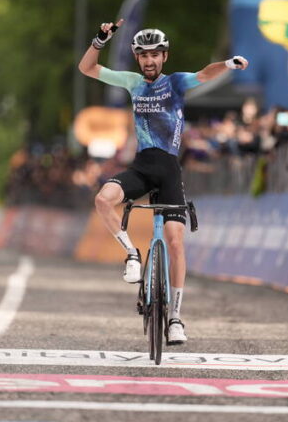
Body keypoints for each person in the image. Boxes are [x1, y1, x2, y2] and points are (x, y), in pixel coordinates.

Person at [78, 20, 248, 344]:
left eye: (155, 55)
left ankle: (175, 318)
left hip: (170, 171)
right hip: (141, 168)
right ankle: (131, 255)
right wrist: (100, 38)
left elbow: (205, 74)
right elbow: (87, 67)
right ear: (137, 58)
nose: (149, 61)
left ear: (164, 57)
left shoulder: (176, 83)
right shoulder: (131, 82)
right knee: (103, 199)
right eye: (143, 55)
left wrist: (228, 64)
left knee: (174, 241)